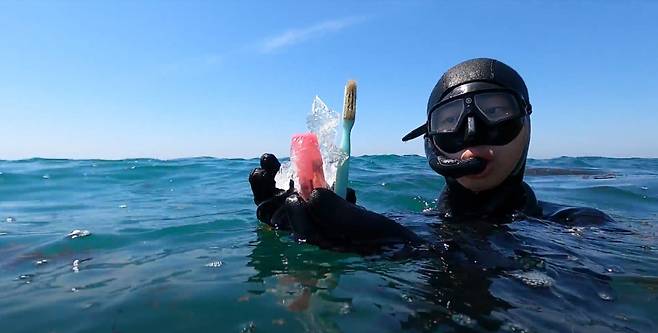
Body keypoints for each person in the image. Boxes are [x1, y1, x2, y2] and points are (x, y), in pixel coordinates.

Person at [248, 58, 612, 250]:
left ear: (527, 121)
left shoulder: (579, 227)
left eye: (496, 111)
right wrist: (316, 222)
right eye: (450, 121)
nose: (471, 132)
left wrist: (398, 245)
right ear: (429, 139)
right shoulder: (415, 222)